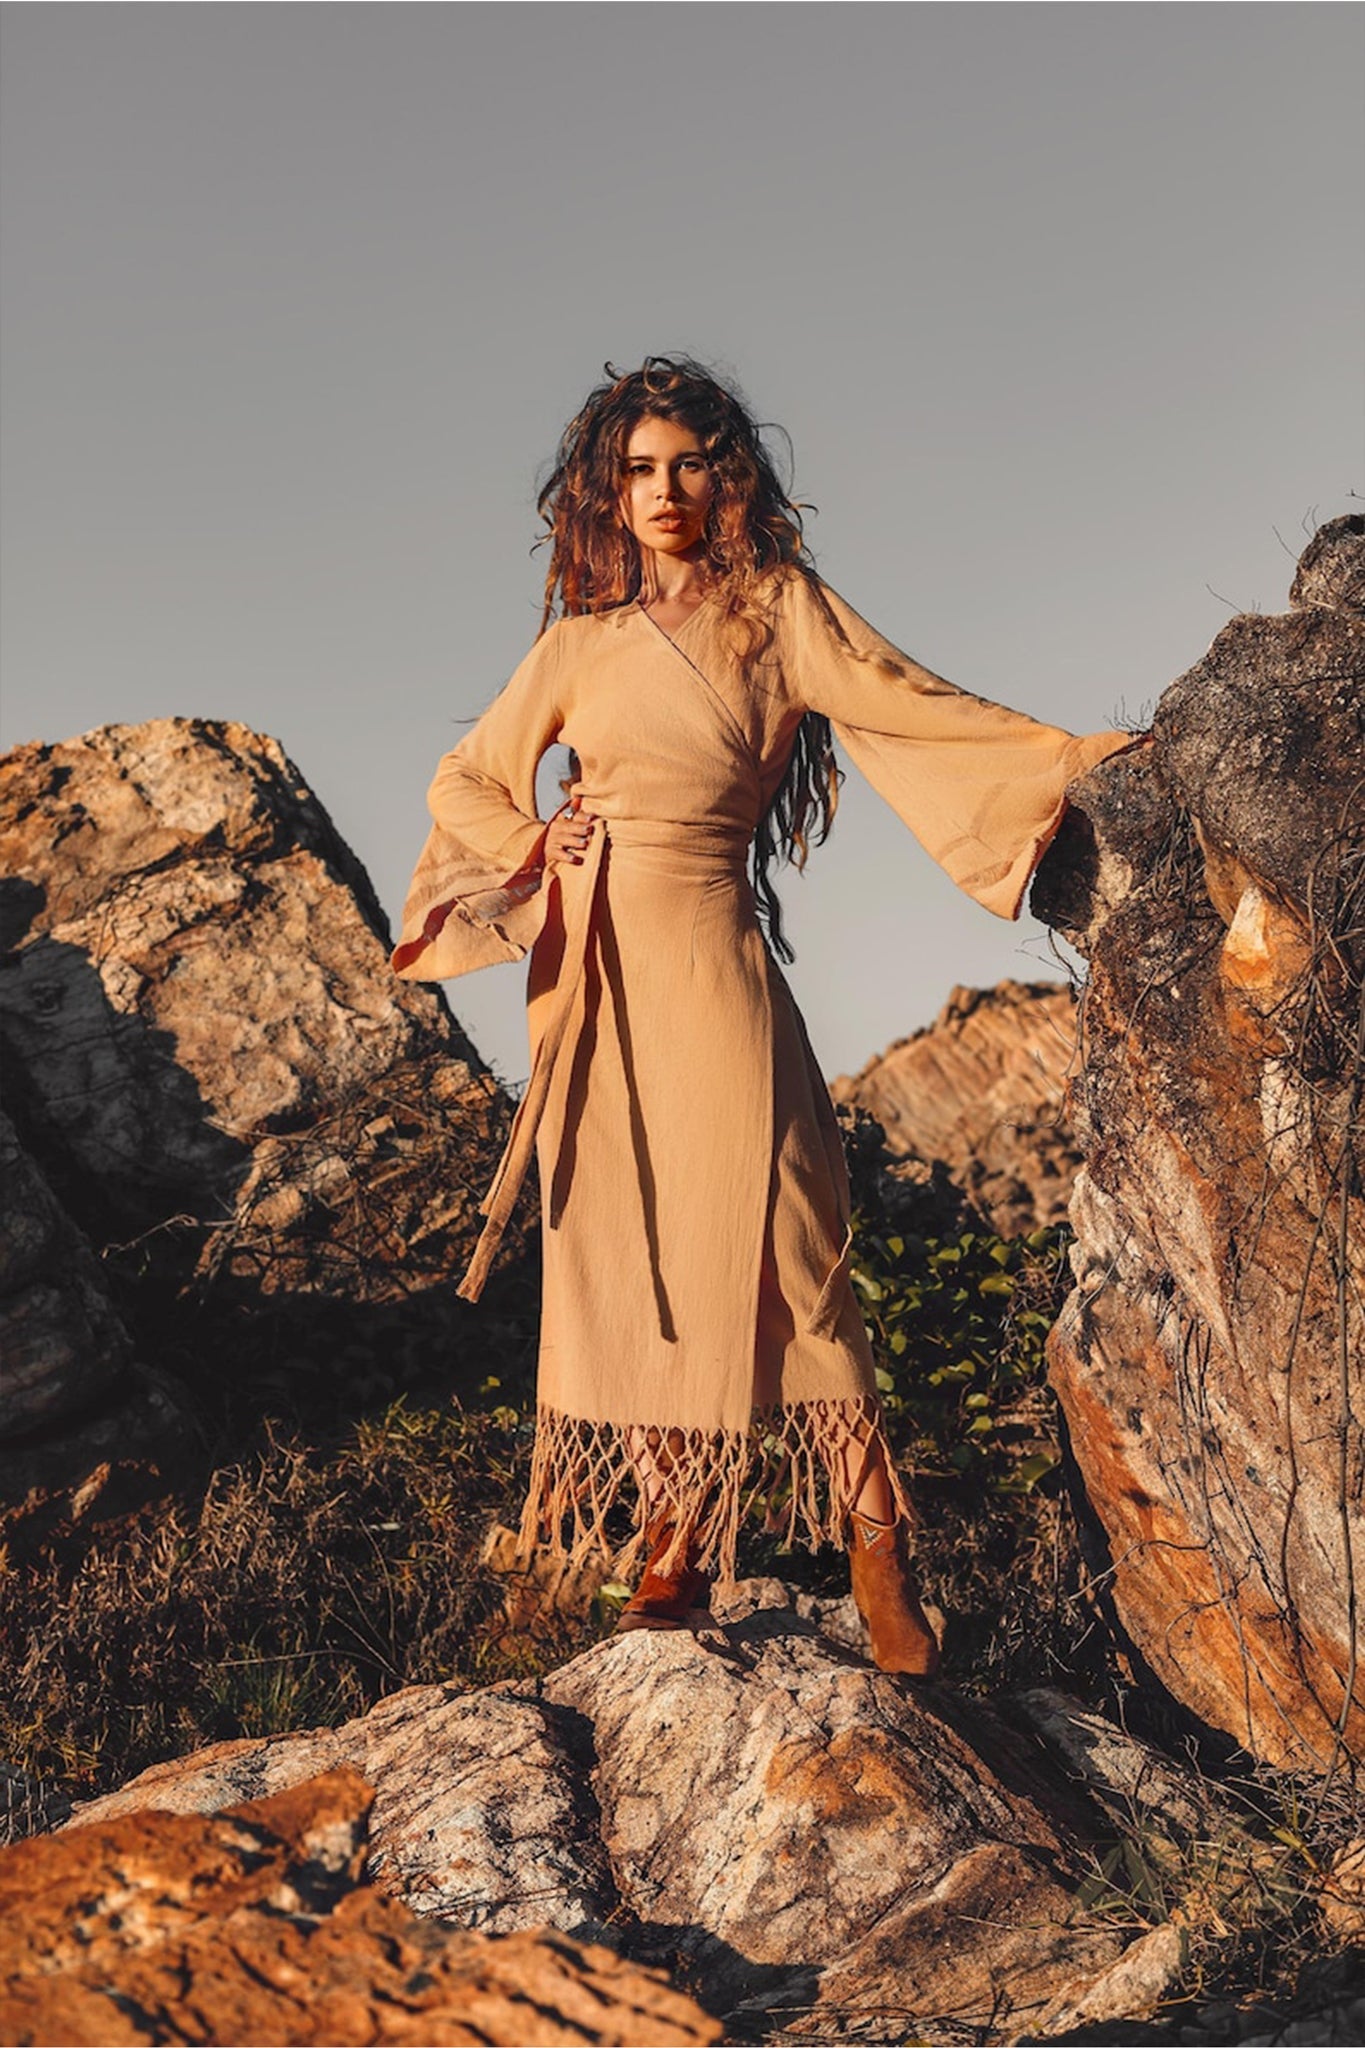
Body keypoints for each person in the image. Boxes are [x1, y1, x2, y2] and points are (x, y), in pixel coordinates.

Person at [393, 357, 1132, 1676]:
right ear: (604, 494)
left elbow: (910, 701)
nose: (662, 491)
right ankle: (670, 1542)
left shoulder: (773, 613)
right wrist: (534, 839)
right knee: (633, 1250)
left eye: (686, 462)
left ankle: (876, 1553)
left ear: (725, 475)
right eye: (635, 469)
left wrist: (1069, 762)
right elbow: (464, 777)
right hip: (593, 968)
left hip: (710, 948)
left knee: (791, 1244)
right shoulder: (571, 647)